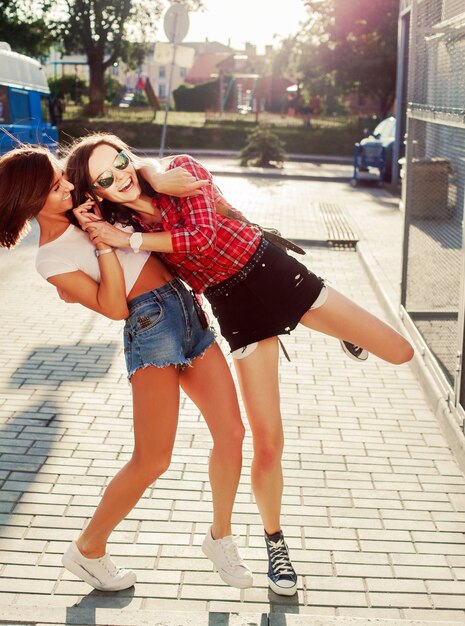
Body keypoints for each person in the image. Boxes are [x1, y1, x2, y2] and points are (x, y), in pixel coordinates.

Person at [64, 134, 415, 596]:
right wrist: (88, 234)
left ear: (132, 156)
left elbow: (200, 237)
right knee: (267, 443)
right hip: (236, 312)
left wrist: (137, 207)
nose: (121, 177)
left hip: (276, 273)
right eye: (104, 178)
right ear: (98, 192)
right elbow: (64, 221)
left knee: (400, 351)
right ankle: (275, 542)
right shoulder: (117, 216)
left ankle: (342, 330)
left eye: (123, 162)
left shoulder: (180, 171)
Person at [0, 145, 254, 592]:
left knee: (232, 433)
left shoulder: (89, 206)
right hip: (149, 325)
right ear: (30, 199)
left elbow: (125, 169)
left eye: (62, 177)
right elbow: (114, 307)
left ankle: (221, 536)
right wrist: (102, 247)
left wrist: (152, 175)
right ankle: (89, 548)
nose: (65, 185)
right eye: (54, 185)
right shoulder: (51, 259)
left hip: (186, 309)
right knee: (153, 457)